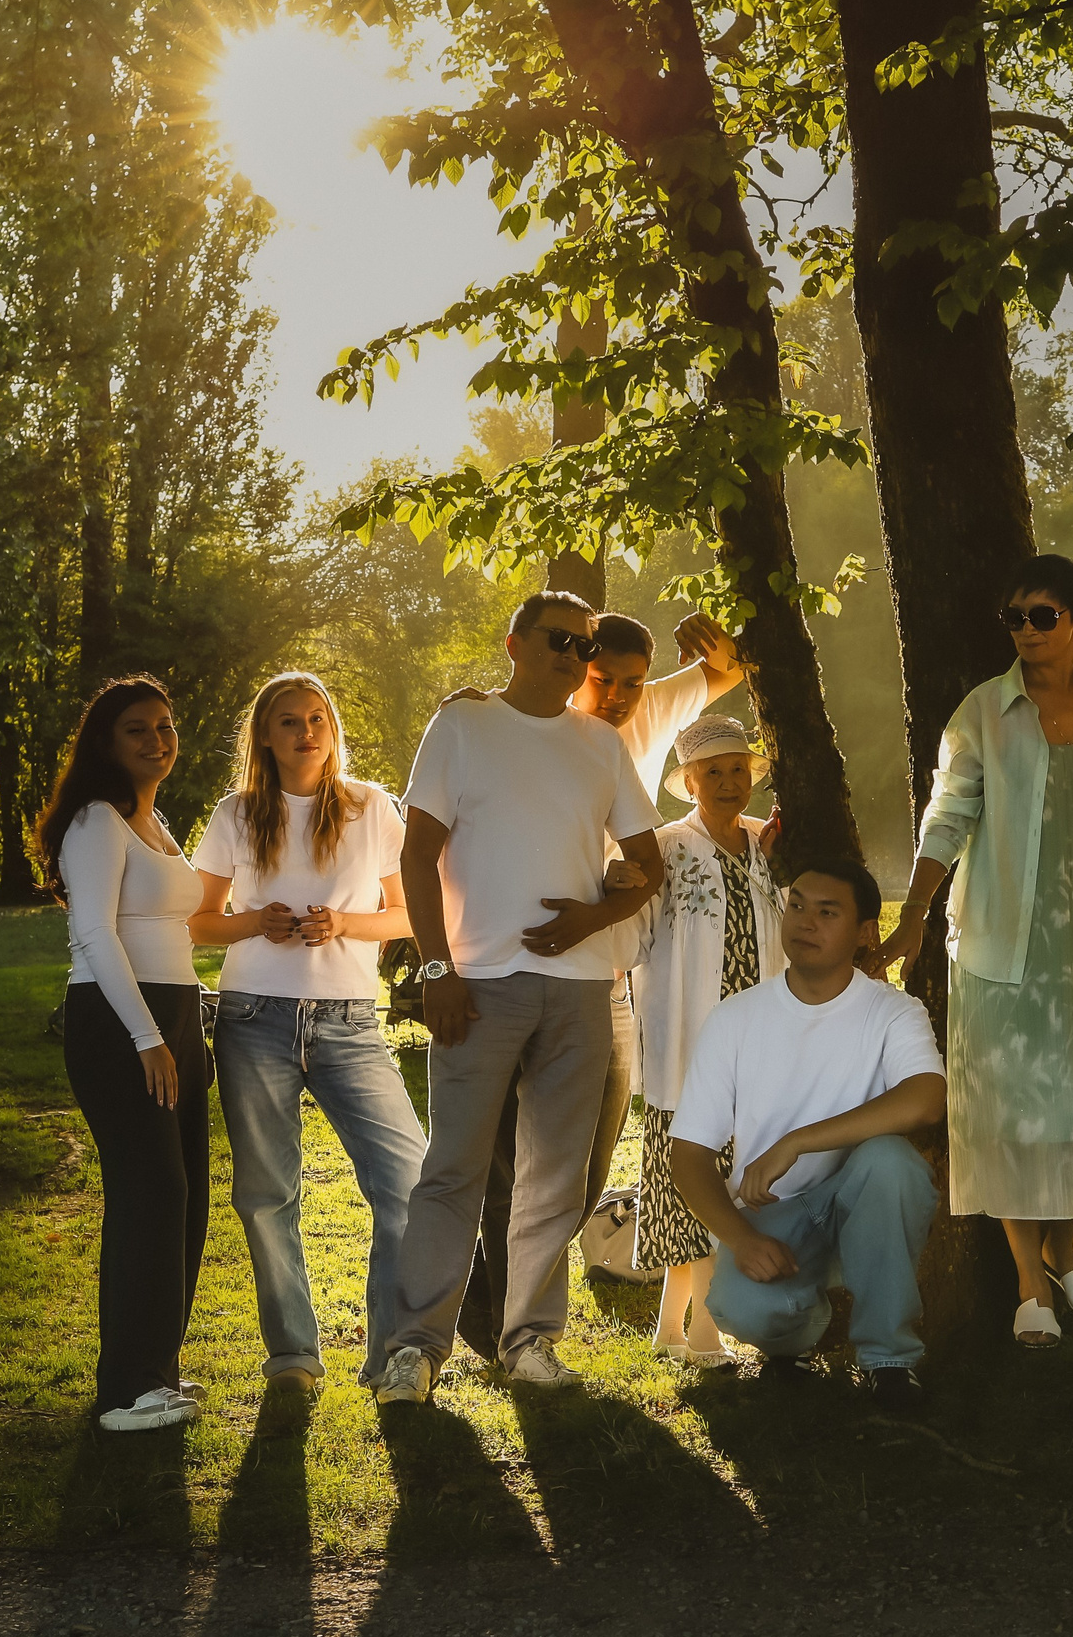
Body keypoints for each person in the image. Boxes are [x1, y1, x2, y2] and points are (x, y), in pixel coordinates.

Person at [880, 553, 1073, 1348]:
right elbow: (946, 816)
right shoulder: (982, 712)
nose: (1025, 630)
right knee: (1014, 1116)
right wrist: (914, 912)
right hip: (1001, 946)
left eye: (1042, 616)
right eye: (1013, 617)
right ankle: (1030, 1283)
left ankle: (1069, 1252)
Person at [375, 592, 665, 1405]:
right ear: (515, 643)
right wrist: (436, 971)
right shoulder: (462, 727)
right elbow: (417, 854)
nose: (574, 655)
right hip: (476, 985)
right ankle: (415, 1349)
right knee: (454, 1169)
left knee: (555, 1177)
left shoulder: (601, 745)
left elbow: (647, 861)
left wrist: (594, 917)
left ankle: (529, 1341)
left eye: (584, 644)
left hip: (579, 992)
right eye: (558, 640)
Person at [449, 611, 747, 1363]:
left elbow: (732, 665)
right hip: (506, 970)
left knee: (578, 1175)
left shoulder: (640, 719)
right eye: (601, 678)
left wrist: (706, 636)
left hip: (605, 976)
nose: (615, 694)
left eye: (631, 683)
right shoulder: (505, 725)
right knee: (506, 1163)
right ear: (573, 662)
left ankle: (515, 1313)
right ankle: (495, 1322)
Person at [188, 673, 423, 1399]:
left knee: (407, 1181)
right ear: (265, 734)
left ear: (333, 726)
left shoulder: (370, 806)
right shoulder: (236, 812)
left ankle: (389, 1358)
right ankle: (292, 1355)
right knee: (265, 1193)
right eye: (289, 721)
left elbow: (409, 914)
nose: (306, 731)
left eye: (317, 718)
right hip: (253, 1017)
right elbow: (200, 922)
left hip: (349, 1019)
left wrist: (344, 923)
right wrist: (257, 920)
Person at [668, 860, 946, 1410]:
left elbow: (925, 1100)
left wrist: (797, 1140)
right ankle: (798, 1334)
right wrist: (743, 1239)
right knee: (740, 1309)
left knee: (891, 1162)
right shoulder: (735, 1018)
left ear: (866, 931)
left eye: (827, 911)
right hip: (776, 1216)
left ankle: (888, 1362)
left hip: (863, 1203)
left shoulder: (893, 1012)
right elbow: (689, 1155)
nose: (805, 921)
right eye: (796, 905)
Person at [36, 675, 212, 1433]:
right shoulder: (96, 821)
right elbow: (96, 935)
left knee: (188, 1192)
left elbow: (181, 926)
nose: (157, 739)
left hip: (175, 1015)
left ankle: (156, 1368)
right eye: (137, 729)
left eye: (166, 726)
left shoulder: (159, 821)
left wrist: (182, 1027)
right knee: (152, 1192)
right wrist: (147, 1036)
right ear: (106, 742)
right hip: (118, 1022)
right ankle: (124, 1391)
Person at [629, 715, 786, 1366]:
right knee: (690, 1180)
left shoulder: (767, 842)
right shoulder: (664, 846)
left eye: (738, 769)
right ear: (689, 781)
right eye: (713, 772)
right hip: (689, 1041)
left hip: (758, 1044)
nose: (728, 782)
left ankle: (671, 1325)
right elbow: (628, 934)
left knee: (729, 1176)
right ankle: (704, 1330)